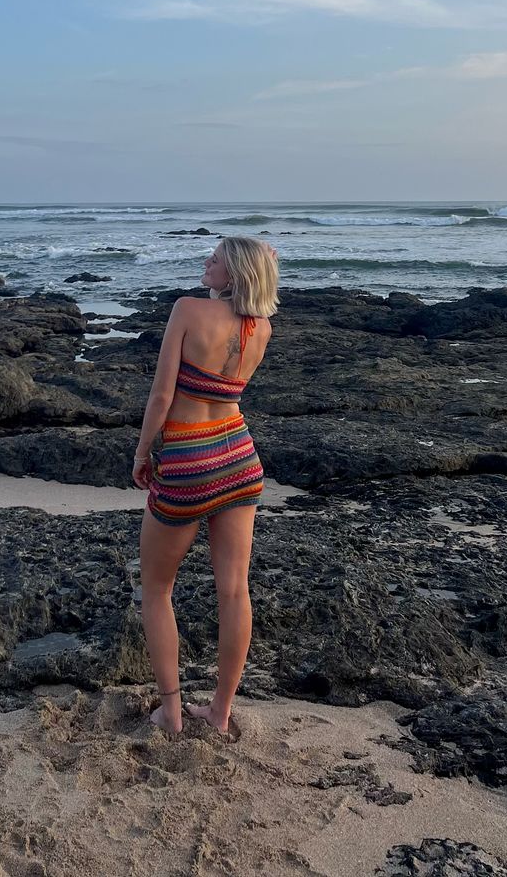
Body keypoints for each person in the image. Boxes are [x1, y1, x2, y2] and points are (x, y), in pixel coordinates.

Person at [132, 236, 279, 736]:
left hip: (189, 458)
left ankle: (171, 712)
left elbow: (161, 396)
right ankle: (220, 713)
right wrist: (259, 262)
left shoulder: (187, 310)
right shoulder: (261, 327)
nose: (206, 261)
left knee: (157, 588)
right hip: (239, 456)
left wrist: (142, 453)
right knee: (234, 591)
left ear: (234, 272)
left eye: (215, 258)